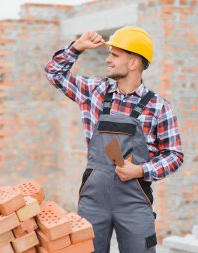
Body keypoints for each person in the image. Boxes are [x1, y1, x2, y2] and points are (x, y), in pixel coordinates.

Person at [45, 26, 184, 253]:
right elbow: (54, 72)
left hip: (134, 201)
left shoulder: (158, 106)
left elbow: (174, 156)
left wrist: (140, 171)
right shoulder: (94, 92)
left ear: (133, 63)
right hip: (93, 199)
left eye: (115, 55)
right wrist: (77, 47)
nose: (108, 60)